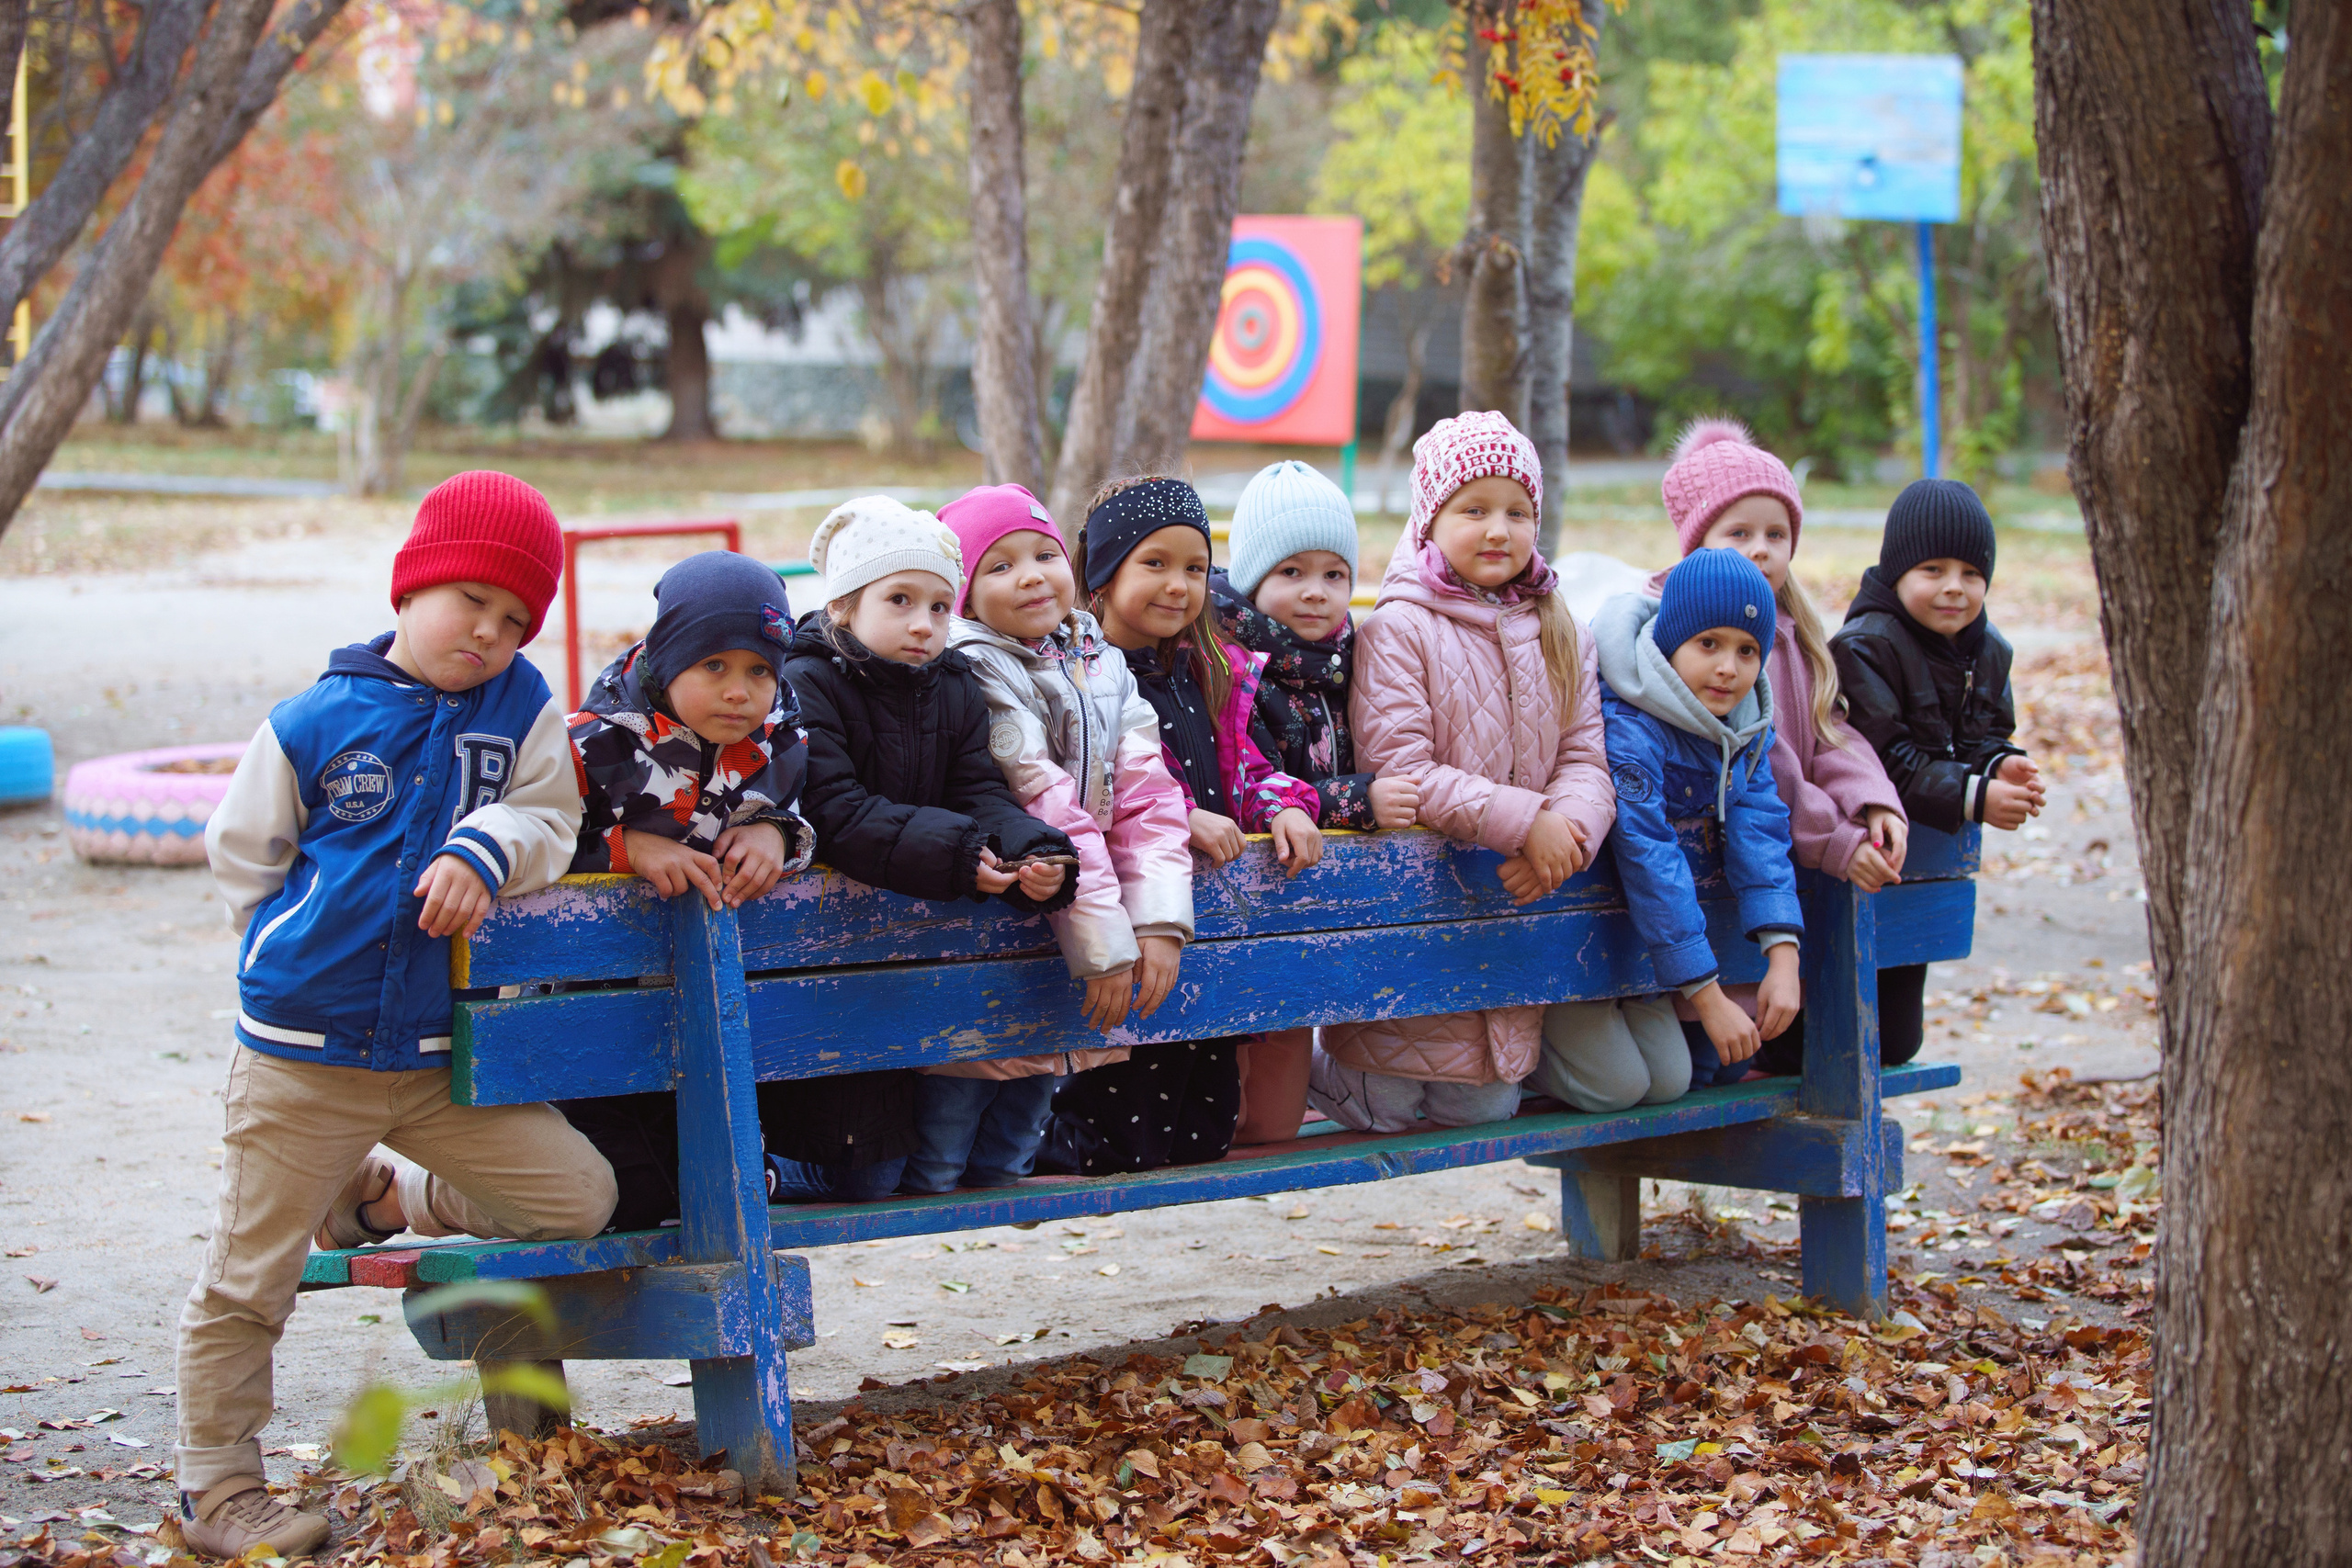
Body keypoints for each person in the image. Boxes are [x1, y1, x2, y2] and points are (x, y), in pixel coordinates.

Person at [180, 472, 614, 1558]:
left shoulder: (522, 711)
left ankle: (382, 1200)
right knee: (249, 1277)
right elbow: (244, 856)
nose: (491, 631)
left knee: (578, 1196)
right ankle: (222, 1491)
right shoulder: (318, 717)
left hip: (435, 1059)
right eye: (472, 600)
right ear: (413, 586)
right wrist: (288, 949)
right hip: (305, 1055)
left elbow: (553, 818)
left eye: (517, 619)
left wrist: (487, 846)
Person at [1316, 412, 1614, 1133]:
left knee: (1483, 1107)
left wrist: (1567, 831)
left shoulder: (1560, 625)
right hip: (1418, 918)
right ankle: (1322, 1072)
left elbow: (1584, 755)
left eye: (1517, 512)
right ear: (1430, 519)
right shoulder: (1400, 628)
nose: (1498, 530)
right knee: (1384, 1110)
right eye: (1473, 509)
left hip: (1508, 924)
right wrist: (1523, 820)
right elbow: (1402, 766)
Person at [781, 496, 1080, 1199]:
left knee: (901, 1164)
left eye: (942, 606)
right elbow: (835, 807)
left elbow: (978, 787)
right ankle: (766, 1172)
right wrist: (960, 853)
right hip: (823, 959)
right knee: (870, 1174)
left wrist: (1038, 852)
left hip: (908, 949)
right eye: (902, 600)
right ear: (846, 607)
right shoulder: (809, 682)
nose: (924, 623)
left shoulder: (950, 683)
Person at [1034, 475, 1323, 1175]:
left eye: (1195, 568)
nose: (1179, 585)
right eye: (1154, 563)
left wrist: (1283, 804)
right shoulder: (1080, 675)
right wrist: (1184, 814)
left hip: (1206, 924)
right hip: (1133, 912)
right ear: (1101, 575)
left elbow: (1245, 764)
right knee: (1121, 1129)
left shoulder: (1207, 668)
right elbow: (1079, 784)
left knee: (1203, 1129)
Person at [1608, 419, 1910, 1080]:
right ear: (1697, 545)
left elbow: (1829, 732)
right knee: (1702, 1065)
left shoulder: (1789, 633)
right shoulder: (1695, 644)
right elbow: (1767, 766)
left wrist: (1871, 798)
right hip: (1721, 899)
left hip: (1765, 895)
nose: (1761, 550)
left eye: (1776, 534)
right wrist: (1835, 838)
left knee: (1876, 1036)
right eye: (1739, 533)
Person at [913, 482, 1194, 1193]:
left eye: (1043, 553)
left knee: (1009, 1161)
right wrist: (1106, 943)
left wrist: (1159, 918)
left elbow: (1149, 796)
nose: (1033, 574)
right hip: (997, 920)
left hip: (1078, 928)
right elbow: (1047, 803)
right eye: (1000, 565)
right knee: (938, 1162)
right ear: (966, 596)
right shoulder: (976, 665)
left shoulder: (1101, 662)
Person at [555, 550, 817, 1232]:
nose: (741, 691)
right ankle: (414, 1196)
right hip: (587, 1013)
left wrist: (780, 835)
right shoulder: (598, 745)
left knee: (721, 1185)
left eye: (760, 669)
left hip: (704, 1010)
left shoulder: (781, 736)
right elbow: (539, 840)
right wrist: (624, 847)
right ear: (669, 657)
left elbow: (809, 811)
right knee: (634, 1190)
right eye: (715, 666)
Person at [1209, 459, 1421, 1144]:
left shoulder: (1351, 661)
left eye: (1334, 574)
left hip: (1326, 917)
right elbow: (1256, 785)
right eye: (1291, 573)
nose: (1316, 593)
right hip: (1253, 910)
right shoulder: (1234, 664)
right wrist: (1358, 802)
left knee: (1273, 1121)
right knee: (1248, 1119)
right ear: (1252, 579)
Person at [1579, 548, 1804, 1098]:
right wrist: (1707, 997)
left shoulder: (1745, 729)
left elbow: (1762, 828)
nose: (1729, 667)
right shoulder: (1633, 725)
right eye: (1709, 644)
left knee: (1720, 1071)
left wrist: (1783, 952)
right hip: (1593, 947)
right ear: (1670, 641)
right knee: (1661, 1081)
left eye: (1748, 650)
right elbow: (1648, 852)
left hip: (1662, 959)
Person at [1832, 477, 2043, 1062]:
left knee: (1897, 1041)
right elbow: (1886, 759)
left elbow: (1985, 735)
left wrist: (2005, 764)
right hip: (1856, 856)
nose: (1954, 588)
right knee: (1841, 1024)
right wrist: (1975, 798)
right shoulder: (1865, 648)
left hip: (1919, 867)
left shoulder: (1988, 649)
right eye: (1933, 570)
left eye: (1971, 574)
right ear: (1897, 572)